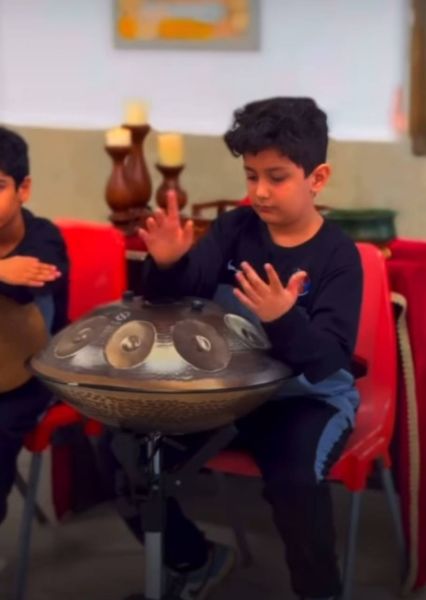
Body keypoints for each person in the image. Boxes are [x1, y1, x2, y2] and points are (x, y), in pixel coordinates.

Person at [138, 97, 363, 600]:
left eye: (276, 177)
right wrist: (169, 264)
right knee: (132, 457)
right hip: (225, 394)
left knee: (295, 485)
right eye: (251, 176)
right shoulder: (233, 229)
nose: (259, 191)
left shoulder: (339, 256)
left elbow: (328, 359)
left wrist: (283, 318)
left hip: (304, 400)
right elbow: (173, 301)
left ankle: (320, 592)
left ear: (318, 177)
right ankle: (194, 561)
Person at [0, 126, 69, 528]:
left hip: (34, 375)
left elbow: (30, 287)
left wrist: (11, 276)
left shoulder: (43, 237)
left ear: (23, 189)